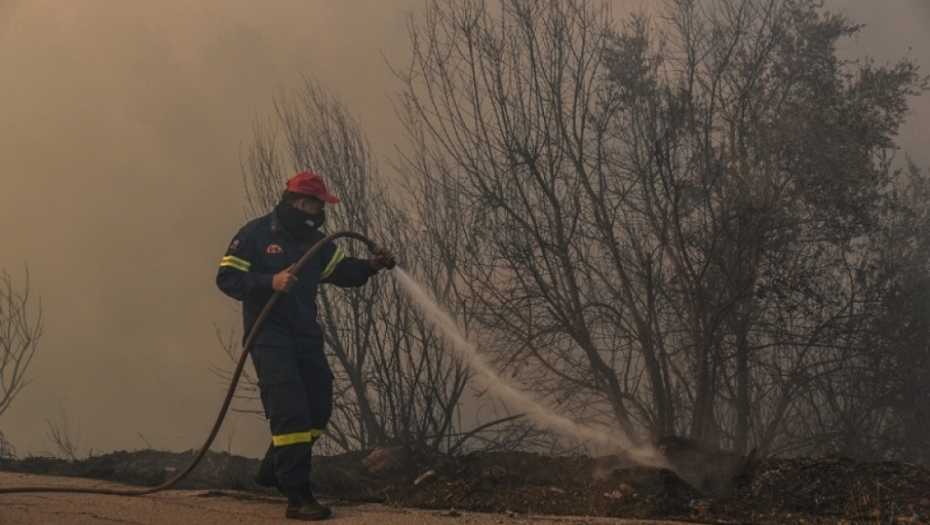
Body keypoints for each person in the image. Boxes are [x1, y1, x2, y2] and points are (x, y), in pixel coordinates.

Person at [216, 171, 394, 521]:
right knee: (291, 410)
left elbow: (341, 271)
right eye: (317, 203)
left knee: (318, 408)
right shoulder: (255, 235)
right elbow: (227, 277)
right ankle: (297, 494)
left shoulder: (315, 243)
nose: (320, 209)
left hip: (306, 336)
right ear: (300, 202)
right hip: (270, 337)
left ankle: (274, 469)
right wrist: (270, 280)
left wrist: (370, 267)